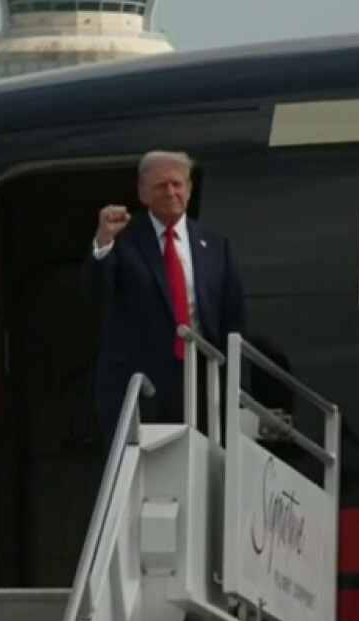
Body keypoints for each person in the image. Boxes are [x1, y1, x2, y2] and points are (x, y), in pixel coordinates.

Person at [80, 150, 247, 440]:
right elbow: (95, 294)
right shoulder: (122, 240)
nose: (170, 192)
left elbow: (233, 319)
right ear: (143, 193)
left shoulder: (216, 245)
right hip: (138, 388)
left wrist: (235, 387)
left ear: (189, 190)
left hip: (200, 389)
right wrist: (103, 242)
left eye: (176, 184)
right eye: (160, 186)